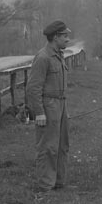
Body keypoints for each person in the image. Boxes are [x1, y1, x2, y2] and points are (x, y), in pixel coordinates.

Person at [26, 20, 71, 192]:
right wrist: (39, 113)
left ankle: (58, 182)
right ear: (55, 37)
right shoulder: (43, 57)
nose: (67, 39)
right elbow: (33, 87)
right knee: (48, 146)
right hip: (48, 105)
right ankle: (45, 184)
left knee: (62, 145)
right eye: (65, 36)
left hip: (61, 104)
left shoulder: (59, 55)